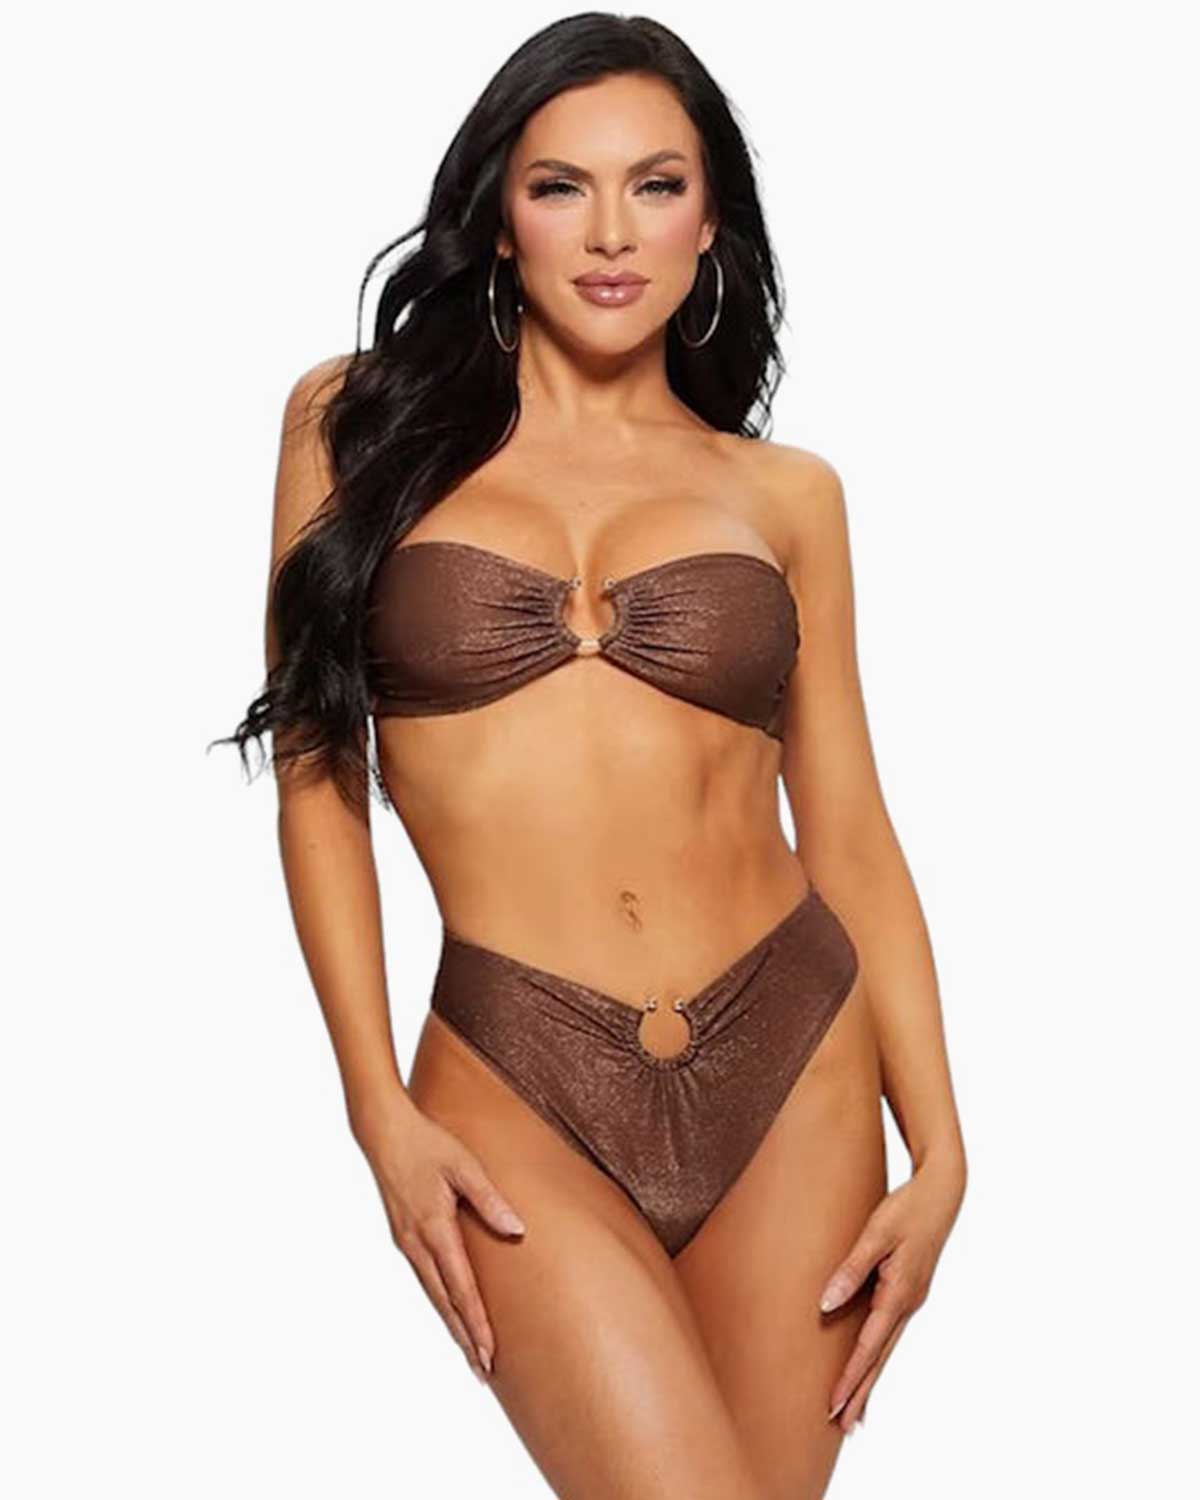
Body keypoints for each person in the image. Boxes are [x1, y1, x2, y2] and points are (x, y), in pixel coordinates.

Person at [220, 14, 967, 1498]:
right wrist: (375, 1109)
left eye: (656, 185)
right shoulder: (350, 428)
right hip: (514, 1071)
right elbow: (319, 779)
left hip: (796, 1055)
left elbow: (850, 831)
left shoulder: (788, 493)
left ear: (711, 222)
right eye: (562, 186)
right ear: (502, 218)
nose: (612, 232)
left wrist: (940, 1147)